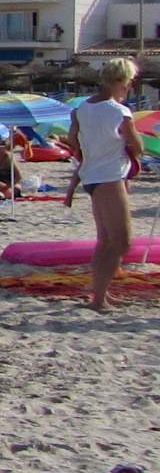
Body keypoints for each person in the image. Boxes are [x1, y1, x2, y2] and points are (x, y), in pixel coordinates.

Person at [67, 57, 146, 311]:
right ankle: (99, 299)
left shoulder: (82, 108)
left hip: (92, 175)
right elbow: (138, 146)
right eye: (130, 82)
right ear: (123, 81)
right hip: (109, 176)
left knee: (105, 241)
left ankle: (101, 294)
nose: (130, 87)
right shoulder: (119, 111)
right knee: (121, 241)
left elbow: (73, 142)